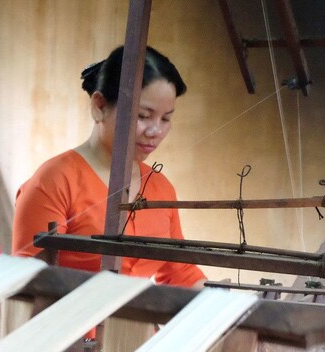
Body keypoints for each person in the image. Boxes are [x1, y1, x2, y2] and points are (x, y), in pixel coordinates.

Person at [12, 45, 206, 288]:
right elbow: (27, 282)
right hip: (69, 323)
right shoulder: (54, 182)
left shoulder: (160, 188)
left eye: (166, 118)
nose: (155, 131)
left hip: (134, 325)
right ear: (100, 106)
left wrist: (231, 309)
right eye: (143, 116)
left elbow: (180, 273)